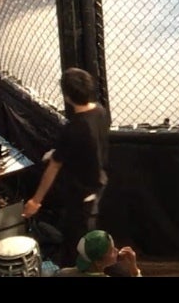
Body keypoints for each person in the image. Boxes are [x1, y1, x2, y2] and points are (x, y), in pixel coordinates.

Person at [22, 67, 109, 268]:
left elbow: (53, 168)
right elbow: (88, 146)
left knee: (75, 247)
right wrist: (58, 152)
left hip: (81, 197)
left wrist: (35, 201)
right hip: (98, 184)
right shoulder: (100, 112)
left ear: (67, 97)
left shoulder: (74, 129)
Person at [56, 228, 142, 277]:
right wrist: (134, 270)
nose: (116, 250)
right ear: (98, 262)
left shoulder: (63, 273)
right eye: (111, 251)